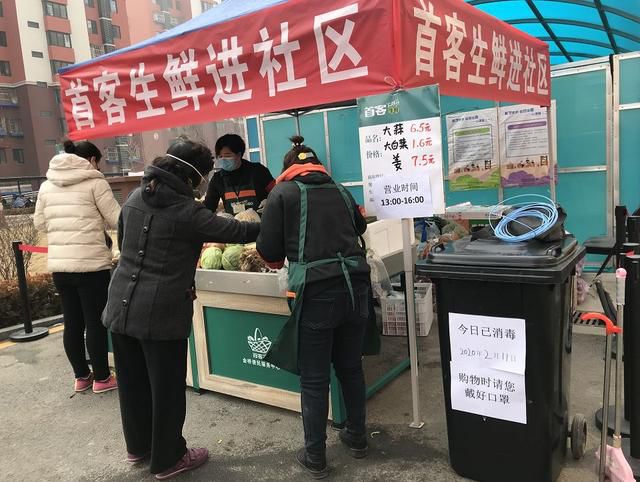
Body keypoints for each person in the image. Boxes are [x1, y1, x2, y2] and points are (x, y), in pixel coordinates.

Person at [102, 138, 260, 480]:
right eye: (204, 174)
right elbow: (236, 230)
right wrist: (276, 221)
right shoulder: (186, 212)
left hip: (120, 307)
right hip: (160, 313)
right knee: (167, 388)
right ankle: (169, 459)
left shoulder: (133, 198)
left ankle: (139, 447)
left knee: (133, 383)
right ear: (191, 176)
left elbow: (124, 243)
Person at [257, 136, 379, 479]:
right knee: (350, 367)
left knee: (314, 379)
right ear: (316, 165)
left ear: (287, 169)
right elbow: (360, 226)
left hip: (317, 293)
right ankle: (357, 437)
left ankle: (315, 457)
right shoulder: (340, 189)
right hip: (356, 287)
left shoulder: (282, 193)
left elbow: (269, 252)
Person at [34, 139, 120, 393]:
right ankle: (102, 378)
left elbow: (40, 224)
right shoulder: (95, 182)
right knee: (94, 322)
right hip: (91, 266)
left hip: (60, 267)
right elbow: (117, 219)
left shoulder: (46, 185)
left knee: (72, 323)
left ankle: (82, 376)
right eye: (98, 163)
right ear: (92, 160)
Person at [203, 133, 275, 216]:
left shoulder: (258, 171)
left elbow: (277, 193)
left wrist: (269, 202)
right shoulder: (218, 179)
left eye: (227, 155)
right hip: (234, 223)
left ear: (239, 155)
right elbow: (209, 206)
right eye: (220, 156)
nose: (223, 159)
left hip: (262, 221)